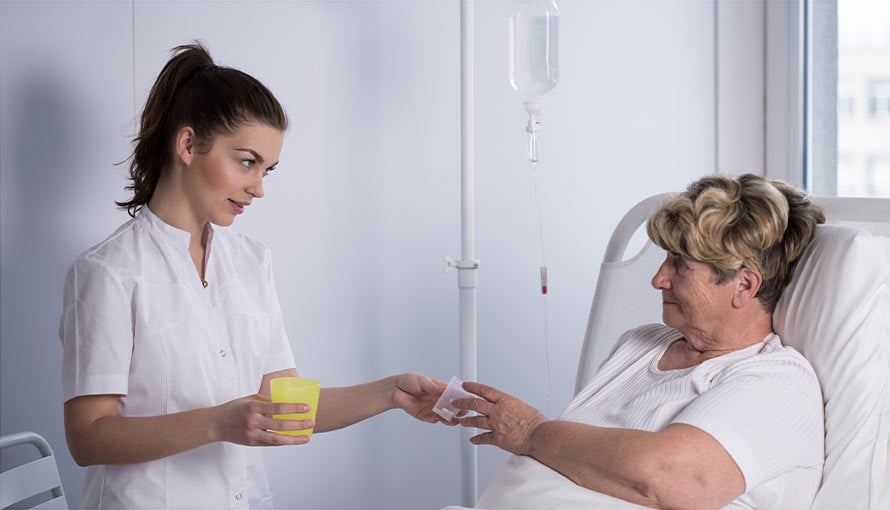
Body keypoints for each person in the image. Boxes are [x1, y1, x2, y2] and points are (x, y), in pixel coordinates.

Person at [60, 42, 447, 509]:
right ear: (187, 145)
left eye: (267, 169)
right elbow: (88, 438)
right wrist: (218, 423)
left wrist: (391, 393)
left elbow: (281, 401)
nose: (258, 188)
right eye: (247, 162)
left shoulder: (250, 261)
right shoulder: (108, 272)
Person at [452, 174, 827, 509]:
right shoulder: (640, 344)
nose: (659, 279)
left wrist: (532, 432)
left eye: (680, 265)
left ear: (743, 285)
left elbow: (670, 478)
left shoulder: (777, 382)